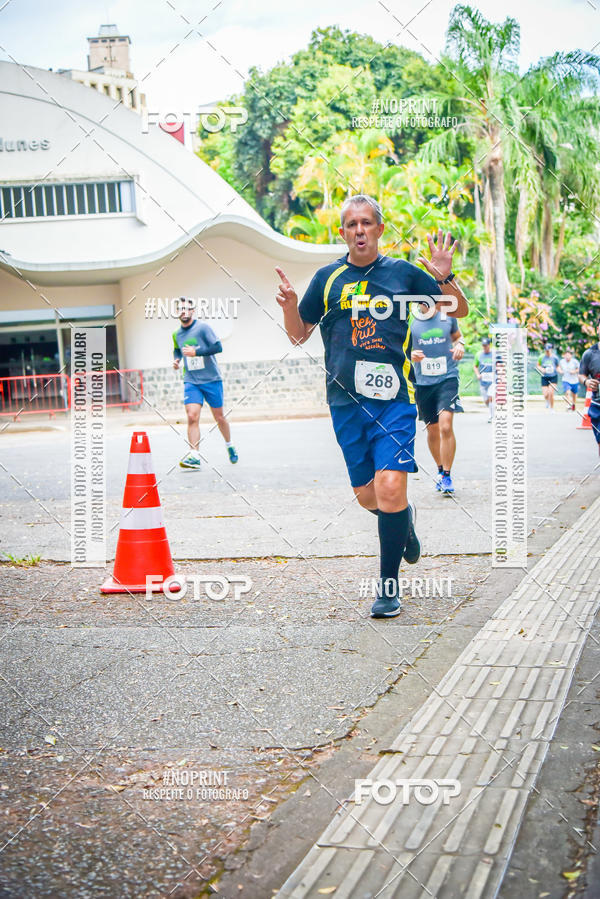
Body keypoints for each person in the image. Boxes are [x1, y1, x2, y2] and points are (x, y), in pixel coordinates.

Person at [275, 196, 468, 618]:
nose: (359, 230)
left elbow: (460, 309)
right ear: (342, 233)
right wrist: (291, 308)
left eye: (366, 223)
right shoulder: (327, 279)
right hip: (344, 402)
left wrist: (444, 275)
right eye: (350, 225)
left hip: (394, 399)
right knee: (368, 497)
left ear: (379, 229)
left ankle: (387, 586)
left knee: (390, 487)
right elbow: (298, 334)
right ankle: (404, 523)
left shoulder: (402, 274)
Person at [172, 297, 238, 469]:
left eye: (187, 309)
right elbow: (177, 349)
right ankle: (194, 455)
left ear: (192, 311)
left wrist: (197, 352)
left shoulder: (203, 328)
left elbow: (217, 347)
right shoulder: (176, 334)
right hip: (191, 381)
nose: (183, 311)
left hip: (211, 380)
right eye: (180, 309)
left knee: (219, 417)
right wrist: (177, 360)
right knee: (192, 416)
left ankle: (229, 444)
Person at [411, 304, 464, 495]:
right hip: (423, 382)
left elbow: (458, 337)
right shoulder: (411, 321)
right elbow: (402, 348)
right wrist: (411, 354)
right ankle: (441, 471)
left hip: (447, 378)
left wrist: (460, 345)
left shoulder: (448, 317)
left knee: (445, 425)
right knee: (432, 430)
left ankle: (448, 476)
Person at [579, 319, 600, 454]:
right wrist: (587, 382)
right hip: (598, 406)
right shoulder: (589, 354)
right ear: (598, 329)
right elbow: (581, 375)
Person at [474, 336, 494, 422]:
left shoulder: (494, 354)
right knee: (486, 401)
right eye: (483, 345)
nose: (484, 347)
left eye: (486, 345)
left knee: (491, 397)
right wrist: (478, 374)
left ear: (489, 345)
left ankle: (491, 416)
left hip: (492, 381)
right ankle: (492, 410)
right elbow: (475, 366)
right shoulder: (479, 355)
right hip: (483, 381)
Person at [537, 343, 560, 409]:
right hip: (544, 377)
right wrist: (541, 369)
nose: (547, 351)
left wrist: (560, 371)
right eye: (546, 350)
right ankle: (547, 400)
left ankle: (552, 408)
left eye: (548, 350)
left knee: (551, 392)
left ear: (551, 349)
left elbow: (558, 366)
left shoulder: (555, 357)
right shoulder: (541, 357)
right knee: (546, 394)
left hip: (553, 377)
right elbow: (538, 365)